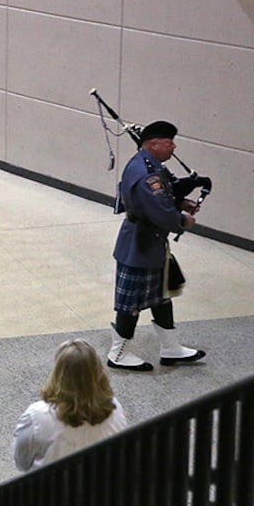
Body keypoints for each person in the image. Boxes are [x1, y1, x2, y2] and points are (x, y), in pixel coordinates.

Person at [109, 121, 206, 371]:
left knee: (162, 296)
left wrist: (181, 202)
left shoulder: (149, 164)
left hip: (151, 242)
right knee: (130, 304)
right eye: (168, 142)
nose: (173, 146)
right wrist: (183, 220)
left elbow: (162, 197)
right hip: (139, 245)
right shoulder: (147, 174)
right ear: (153, 144)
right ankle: (118, 353)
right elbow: (160, 211)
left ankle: (170, 347)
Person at [13, 339, 129, 471]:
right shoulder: (115, 408)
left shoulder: (37, 416)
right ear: (99, 372)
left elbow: (22, 462)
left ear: (58, 374)